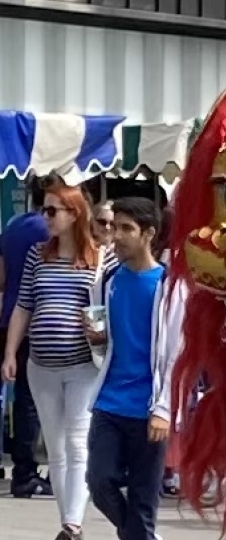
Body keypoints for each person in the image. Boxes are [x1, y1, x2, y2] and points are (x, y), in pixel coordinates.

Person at [1, 178, 117, 540]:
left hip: (83, 364)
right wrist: (9, 353)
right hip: (41, 365)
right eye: (43, 209)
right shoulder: (39, 254)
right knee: (55, 446)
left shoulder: (101, 256)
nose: (45, 217)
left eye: (52, 210)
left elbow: (114, 306)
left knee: (77, 441)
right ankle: (69, 523)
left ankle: (72, 524)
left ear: (74, 214)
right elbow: (23, 305)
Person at [85, 197, 185, 540]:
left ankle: (140, 534)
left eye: (127, 229)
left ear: (149, 234)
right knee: (99, 482)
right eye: (114, 227)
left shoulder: (170, 287)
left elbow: (176, 353)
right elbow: (101, 345)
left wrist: (164, 409)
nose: (117, 236)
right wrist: (95, 338)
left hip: (148, 409)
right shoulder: (107, 280)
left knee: (143, 502)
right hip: (109, 402)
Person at [0, 177, 52, 497]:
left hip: (8, 317)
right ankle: (26, 470)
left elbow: (2, 277)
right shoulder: (48, 232)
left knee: (20, 398)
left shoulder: (14, 226)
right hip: (37, 321)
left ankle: (23, 467)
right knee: (31, 400)